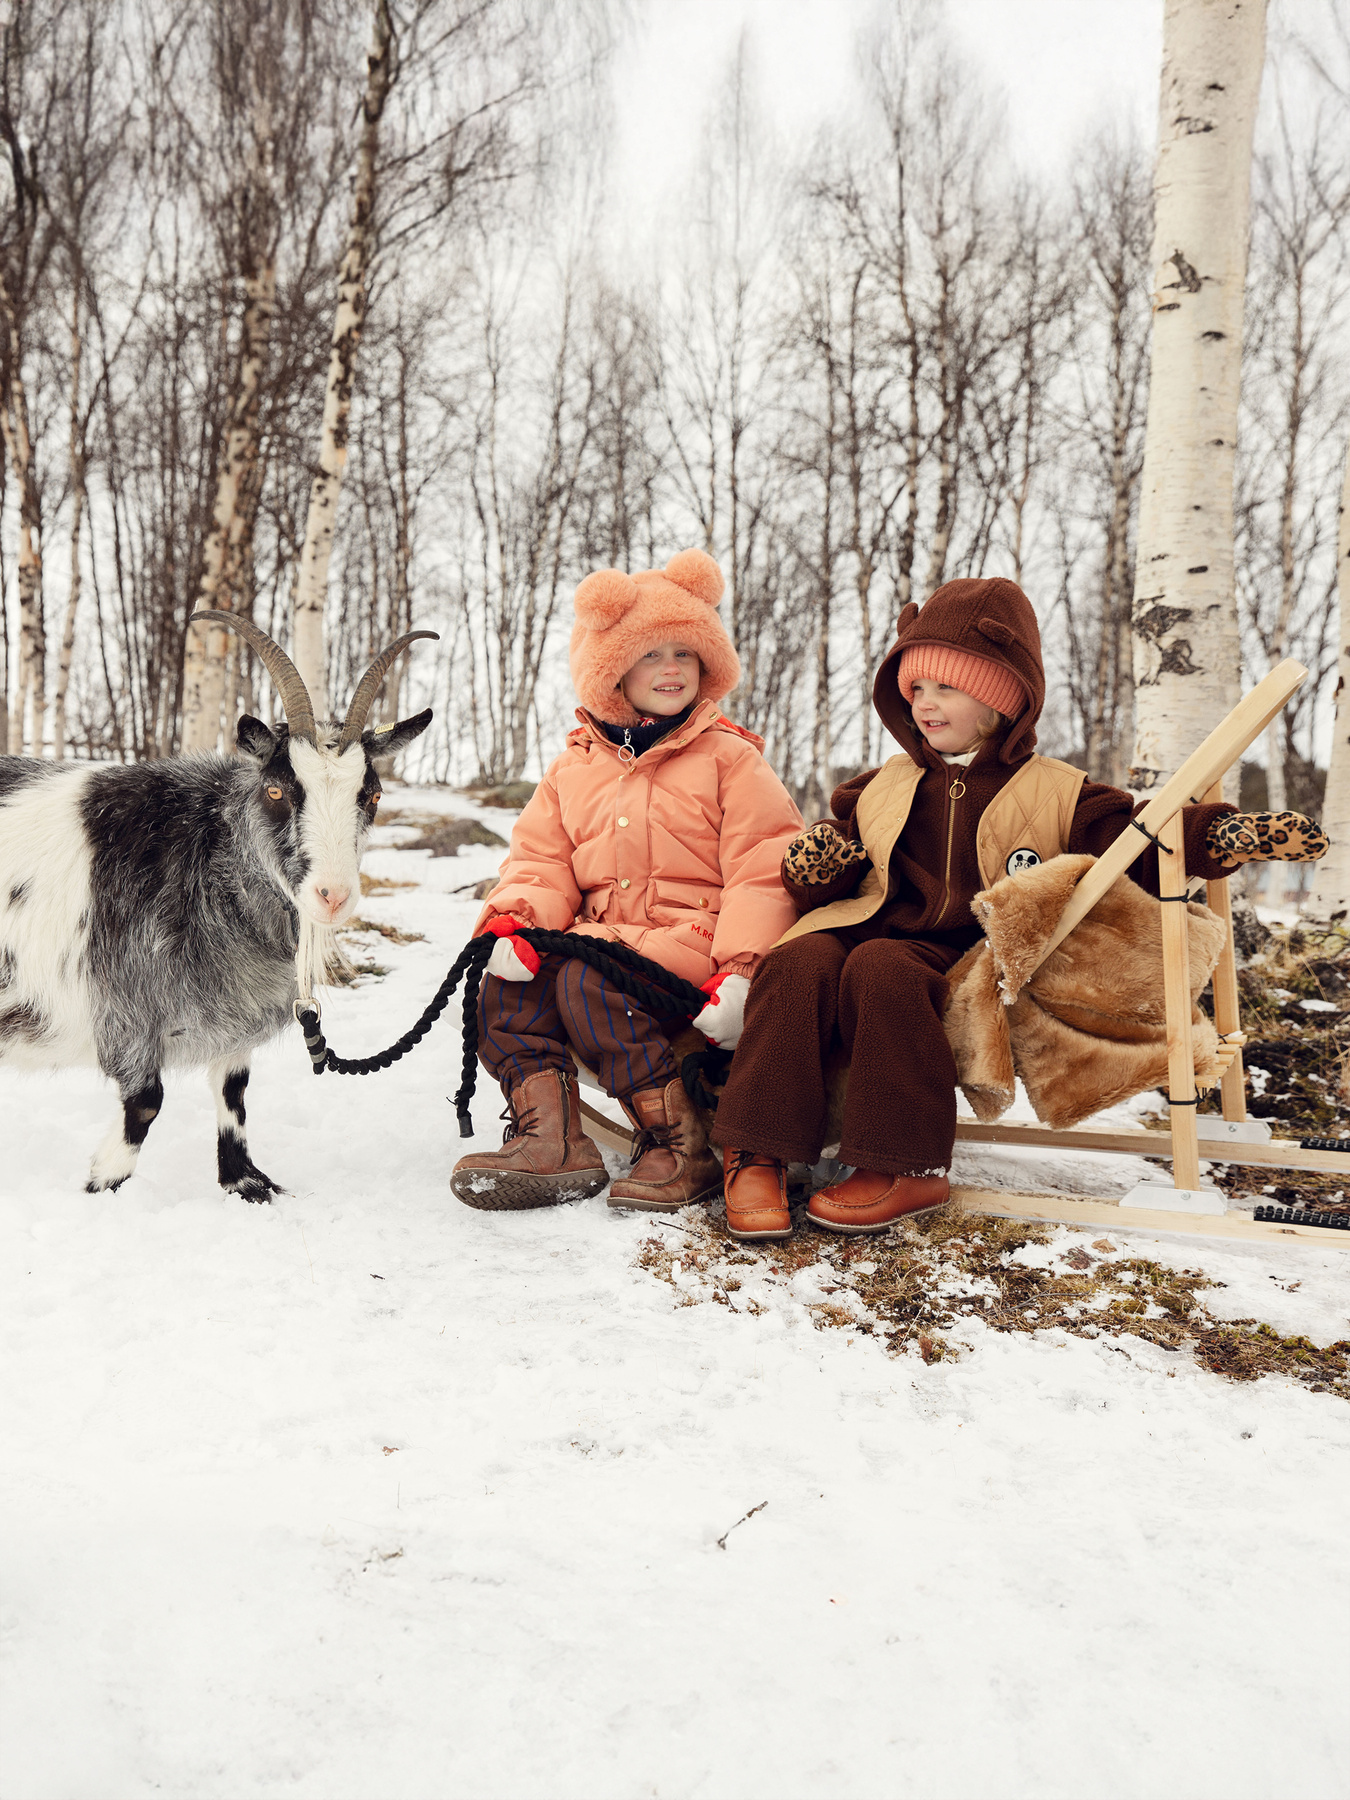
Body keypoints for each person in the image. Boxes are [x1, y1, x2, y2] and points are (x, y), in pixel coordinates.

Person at [712, 576, 1329, 1242]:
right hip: (867, 923)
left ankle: (905, 1164)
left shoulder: (1057, 793)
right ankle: (758, 1149)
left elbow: (1140, 842)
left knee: (882, 968)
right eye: (915, 689)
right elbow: (837, 866)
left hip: (966, 954)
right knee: (800, 958)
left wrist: (1217, 835)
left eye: (946, 688)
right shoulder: (884, 785)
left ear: (1001, 698)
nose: (924, 703)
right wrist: (818, 866)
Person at [451, 548, 803, 1213]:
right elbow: (541, 860)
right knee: (507, 984)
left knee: (589, 981)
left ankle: (680, 1143)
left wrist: (742, 969)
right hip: (599, 939)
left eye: (684, 653)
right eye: (650, 655)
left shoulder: (730, 759)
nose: (671, 668)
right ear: (611, 671)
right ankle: (551, 1138)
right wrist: (516, 921)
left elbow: (763, 868)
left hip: (694, 944)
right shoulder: (574, 768)